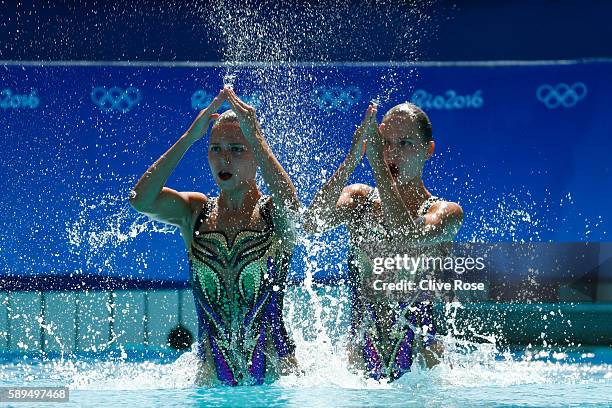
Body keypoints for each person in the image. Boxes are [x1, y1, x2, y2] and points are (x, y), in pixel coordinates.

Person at [129, 87, 300, 385]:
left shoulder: (273, 215)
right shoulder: (195, 213)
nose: (224, 159)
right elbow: (141, 200)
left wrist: (257, 137)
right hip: (210, 382)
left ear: (257, 155)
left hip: (278, 383)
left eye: (237, 149)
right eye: (216, 148)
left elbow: (293, 205)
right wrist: (190, 137)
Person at [303, 102, 463, 381]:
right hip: (358, 371)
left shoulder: (445, 213)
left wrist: (378, 166)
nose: (392, 153)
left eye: (405, 143)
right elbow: (311, 224)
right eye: (385, 143)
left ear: (428, 150)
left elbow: (404, 238)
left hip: (423, 376)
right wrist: (352, 158)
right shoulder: (359, 201)